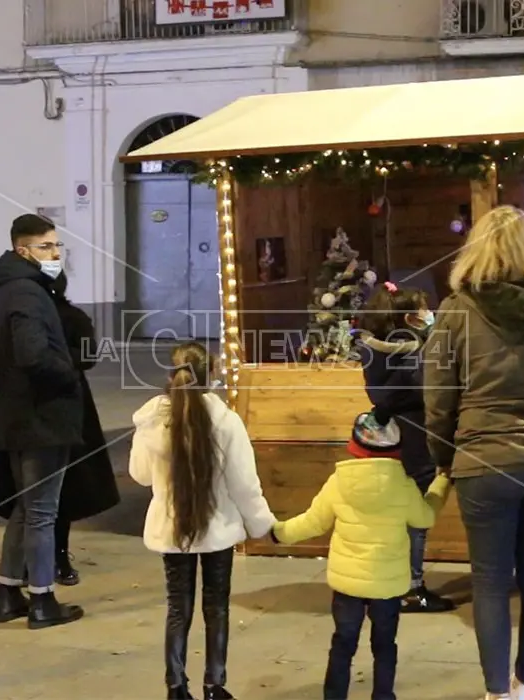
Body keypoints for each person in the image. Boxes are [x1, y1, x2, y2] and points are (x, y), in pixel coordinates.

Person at [423, 205, 524, 700]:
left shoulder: (454, 312)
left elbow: (437, 399)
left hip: (481, 462)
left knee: (490, 582)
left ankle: (496, 693)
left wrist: (444, 456)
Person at [129, 343, 275, 700]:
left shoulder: (152, 422)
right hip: (218, 528)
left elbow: (141, 475)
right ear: (212, 376)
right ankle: (215, 685)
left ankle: (176, 688)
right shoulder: (226, 422)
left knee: (177, 607)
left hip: (171, 527)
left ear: (171, 375)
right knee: (217, 607)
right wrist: (263, 524)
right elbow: (244, 483)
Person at [272, 412, 451, 700]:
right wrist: (442, 482)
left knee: (343, 643)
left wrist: (278, 532)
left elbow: (312, 522)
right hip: (387, 586)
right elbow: (425, 517)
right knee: (384, 645)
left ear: (355, 446)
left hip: (348, 586)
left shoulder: (339, 482)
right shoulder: (403, 486)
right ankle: (382, 695)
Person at [0, 213, 86, 630]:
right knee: (42, 511)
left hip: (12, 414)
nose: (56, 253)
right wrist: (69, 374)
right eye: (47, 246)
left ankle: (7, 592)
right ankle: (42, 599)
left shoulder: (0, 290)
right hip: (41, 416)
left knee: (25, 509)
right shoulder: (27, 292)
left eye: (58, 246)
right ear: (22, 249)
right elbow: (32, 354)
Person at [0, 270, 120, 586]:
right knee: (55, 495)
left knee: (30, 498)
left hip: (23, 410)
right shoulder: (70, 316)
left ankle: (20, 572)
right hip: (62, 409)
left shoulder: (13, 310)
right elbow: (89, 356)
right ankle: (52, 565)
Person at [354, 281, 456, 614]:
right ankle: (412, 587)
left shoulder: (374, 347)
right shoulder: (409, 348)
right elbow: (423, 386)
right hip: (414, 435)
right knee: (416, 515)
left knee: (397, 514)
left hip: (392, 433)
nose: (429, 314)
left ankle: (388, 581)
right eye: (423, 309)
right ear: (409, 317)